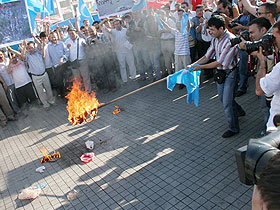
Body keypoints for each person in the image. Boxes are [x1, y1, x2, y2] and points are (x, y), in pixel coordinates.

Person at [187, 15, 245, 138]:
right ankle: (239, 111)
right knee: (222, 99)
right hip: (220, 74)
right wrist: (192, 65)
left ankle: (233, 128)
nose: (210, 32)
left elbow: (219, 62)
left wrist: (199, 67)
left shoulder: (230, 40)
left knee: (227, 103)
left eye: (212, 29)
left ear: (222, 28)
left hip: (230, 73)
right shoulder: (214, 39)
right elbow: (207, 56)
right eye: (209, 29)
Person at [255, 21, 280, 132]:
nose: (272, 40)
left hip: (276, 130)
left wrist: (262, 62)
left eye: (274, 36)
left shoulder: (279, 68)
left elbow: (259, 90)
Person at [21, 41, 55, 110]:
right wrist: (24, 46)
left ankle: (51, 101)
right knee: (40, 92)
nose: (31, 49)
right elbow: (22, 56)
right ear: (27, 49)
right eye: (29, 48)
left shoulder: (39, 52)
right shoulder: (27, 56)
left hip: (44, 74)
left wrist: (35, 38)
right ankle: (45, 104)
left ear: (34, 47)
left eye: (32, 47)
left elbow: (40, 44)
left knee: (48, 88)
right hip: (36, 77)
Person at [102, 19, 137, 84]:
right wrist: (105, 21)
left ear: (120, 24)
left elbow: (131, 38)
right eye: (115, 24)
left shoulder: (126, 30)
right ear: (114, 25)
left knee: (131, 64)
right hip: (119, 52)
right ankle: (125, 80)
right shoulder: (113, 31)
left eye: (118, 24)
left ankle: (134, 77)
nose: (117, 25)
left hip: (128, 50)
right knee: (122, 66)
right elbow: (107, 29)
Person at [65, 28, 91, 93]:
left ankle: (88, 91)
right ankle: (81, 92)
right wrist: (67, 47)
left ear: (76, 33)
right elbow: (65, 51)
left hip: (82, 61)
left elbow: (86, 47)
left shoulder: (81, 40)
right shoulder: (67, 41)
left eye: (72, 33)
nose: (71, 35)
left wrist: (85, 46)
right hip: (73, 62)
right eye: (70, 34)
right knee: (77, 79)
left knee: (86, 77)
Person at [47, 31, 69, 98]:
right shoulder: (48, 47)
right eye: (52, 37)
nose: (54, 38)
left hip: (64, 65)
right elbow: (49, 58)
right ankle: (63, 95)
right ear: (50, 38)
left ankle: (70, 94)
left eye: (54, 37)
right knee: (60, 82)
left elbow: (67, 52)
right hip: (56, 67)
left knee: (68, 80)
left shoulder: (62, 44)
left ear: (57, 36)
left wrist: (63, 58)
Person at [0, 49, 20, 113]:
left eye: (1, 54)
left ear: (3, 54)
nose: (0, 56)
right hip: (7, 83)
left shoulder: (8, 60)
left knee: (19, 95)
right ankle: (17, 111)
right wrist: (3, 83)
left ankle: (24, 107)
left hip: (16, 81)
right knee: (12, 99)